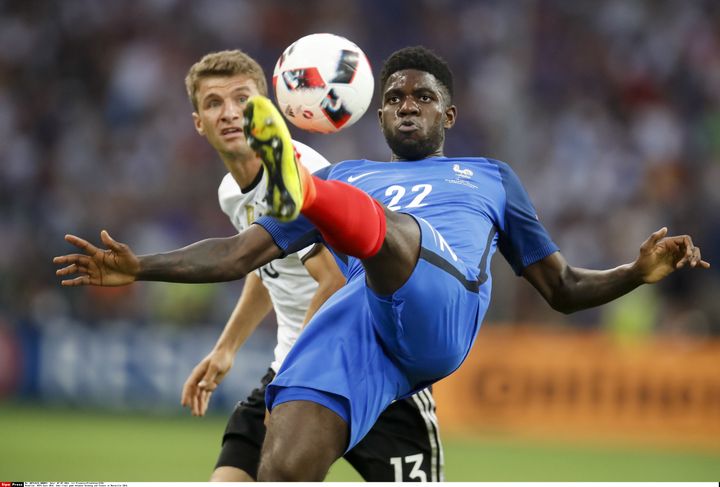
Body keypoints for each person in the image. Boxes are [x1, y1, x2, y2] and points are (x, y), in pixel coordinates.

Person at [54, 46, 709, 481]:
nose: (404, 104)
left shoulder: (487, 176)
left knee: (393, 235)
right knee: (281, 468)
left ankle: (299, 187)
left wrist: (634, 270)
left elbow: (561, 288)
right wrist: (139, 266)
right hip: (364, 323)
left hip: (439, 300)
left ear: (448, 114)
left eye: (420, 97)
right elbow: (239, 252)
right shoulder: (355, 172)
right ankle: (303, 196)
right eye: (393, 96)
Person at [155, 49, 449, 482]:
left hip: (372, 375)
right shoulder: (231, 193)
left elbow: (332, 280)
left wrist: (294, 379)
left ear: (270, 110)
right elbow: (267, 266)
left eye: (243, 100)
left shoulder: (303, 174)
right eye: (214, 103)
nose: (230, 113)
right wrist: (227, 347)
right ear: (199, 122)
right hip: (297, 367)